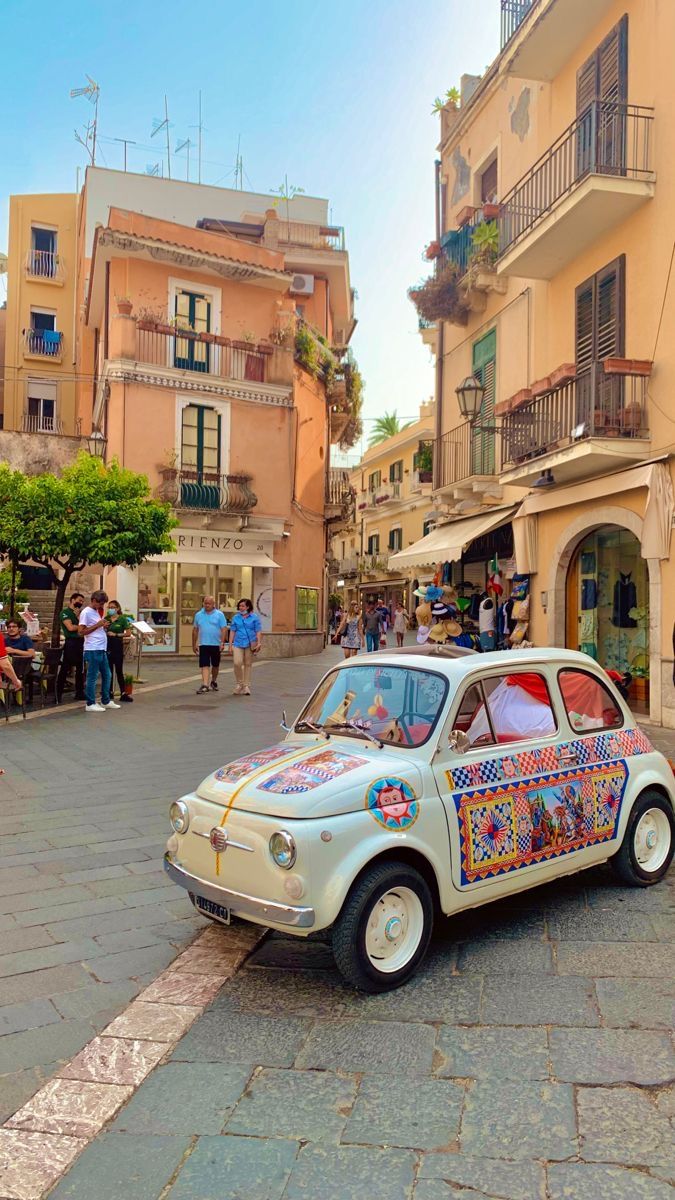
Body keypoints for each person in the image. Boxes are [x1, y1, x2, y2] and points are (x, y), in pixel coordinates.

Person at [78, 590, 119, 712]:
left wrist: (102, 626)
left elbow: (96, 626)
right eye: (100, 604)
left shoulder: (95, 611)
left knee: (107, 674)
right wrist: (98, 625)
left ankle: (105, 700)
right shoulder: (86, 612)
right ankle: (90, 703)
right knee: (93, 676)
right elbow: (81, 631)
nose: (102, 606)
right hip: (92, 648)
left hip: (101, 648)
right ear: (94, 601)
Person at [193, 595, 228, 695]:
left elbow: (224, 629)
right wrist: (194, 643)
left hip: (216, 644)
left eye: (209, 603)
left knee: (215, 665)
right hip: (203, 643)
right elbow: (195, 630)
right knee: (204, 664)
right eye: (205, 603)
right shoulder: (198, 614)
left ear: (213, 604)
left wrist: (222, 642)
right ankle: (205, 685)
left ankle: (213, 681)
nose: (207, 605)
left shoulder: (219, 615)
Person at [227, 598, 262, 696]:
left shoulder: (254, 617)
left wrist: (259, 642)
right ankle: (239, 683)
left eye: (243, 606)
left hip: (250, 643)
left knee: (248, 664)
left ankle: (246, 686)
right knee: (237, 663)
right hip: (238, 643)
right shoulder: (236, 618)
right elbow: (232, 631)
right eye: (240, 606)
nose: (241, 608)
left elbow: (258, 631)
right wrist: (230, 645)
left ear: (248, 607)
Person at [56, 592, 85, 703]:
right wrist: (80, 626)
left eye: (82, 601)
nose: (81, 603)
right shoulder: (65, 613)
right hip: (71, 643)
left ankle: (79, 692)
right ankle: (58, 694)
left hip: (81, 642)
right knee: (65, 669)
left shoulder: (80, 614)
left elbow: (84, 627)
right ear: (72, 600)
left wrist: (78, 618)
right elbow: (70, 627)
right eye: (79, 600)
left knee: (80, 669)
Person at [106, 600, 133, 703]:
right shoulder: (106, 619)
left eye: (112, 607)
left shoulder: (122, 619)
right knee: (108, 671)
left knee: (119, 670)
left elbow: (128, 633)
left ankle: (123, 693)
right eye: (109, 607)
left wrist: (116, 635)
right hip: (108, 646)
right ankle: (109, 692)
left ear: (117, 608)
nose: (110, 609)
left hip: (117, 646)